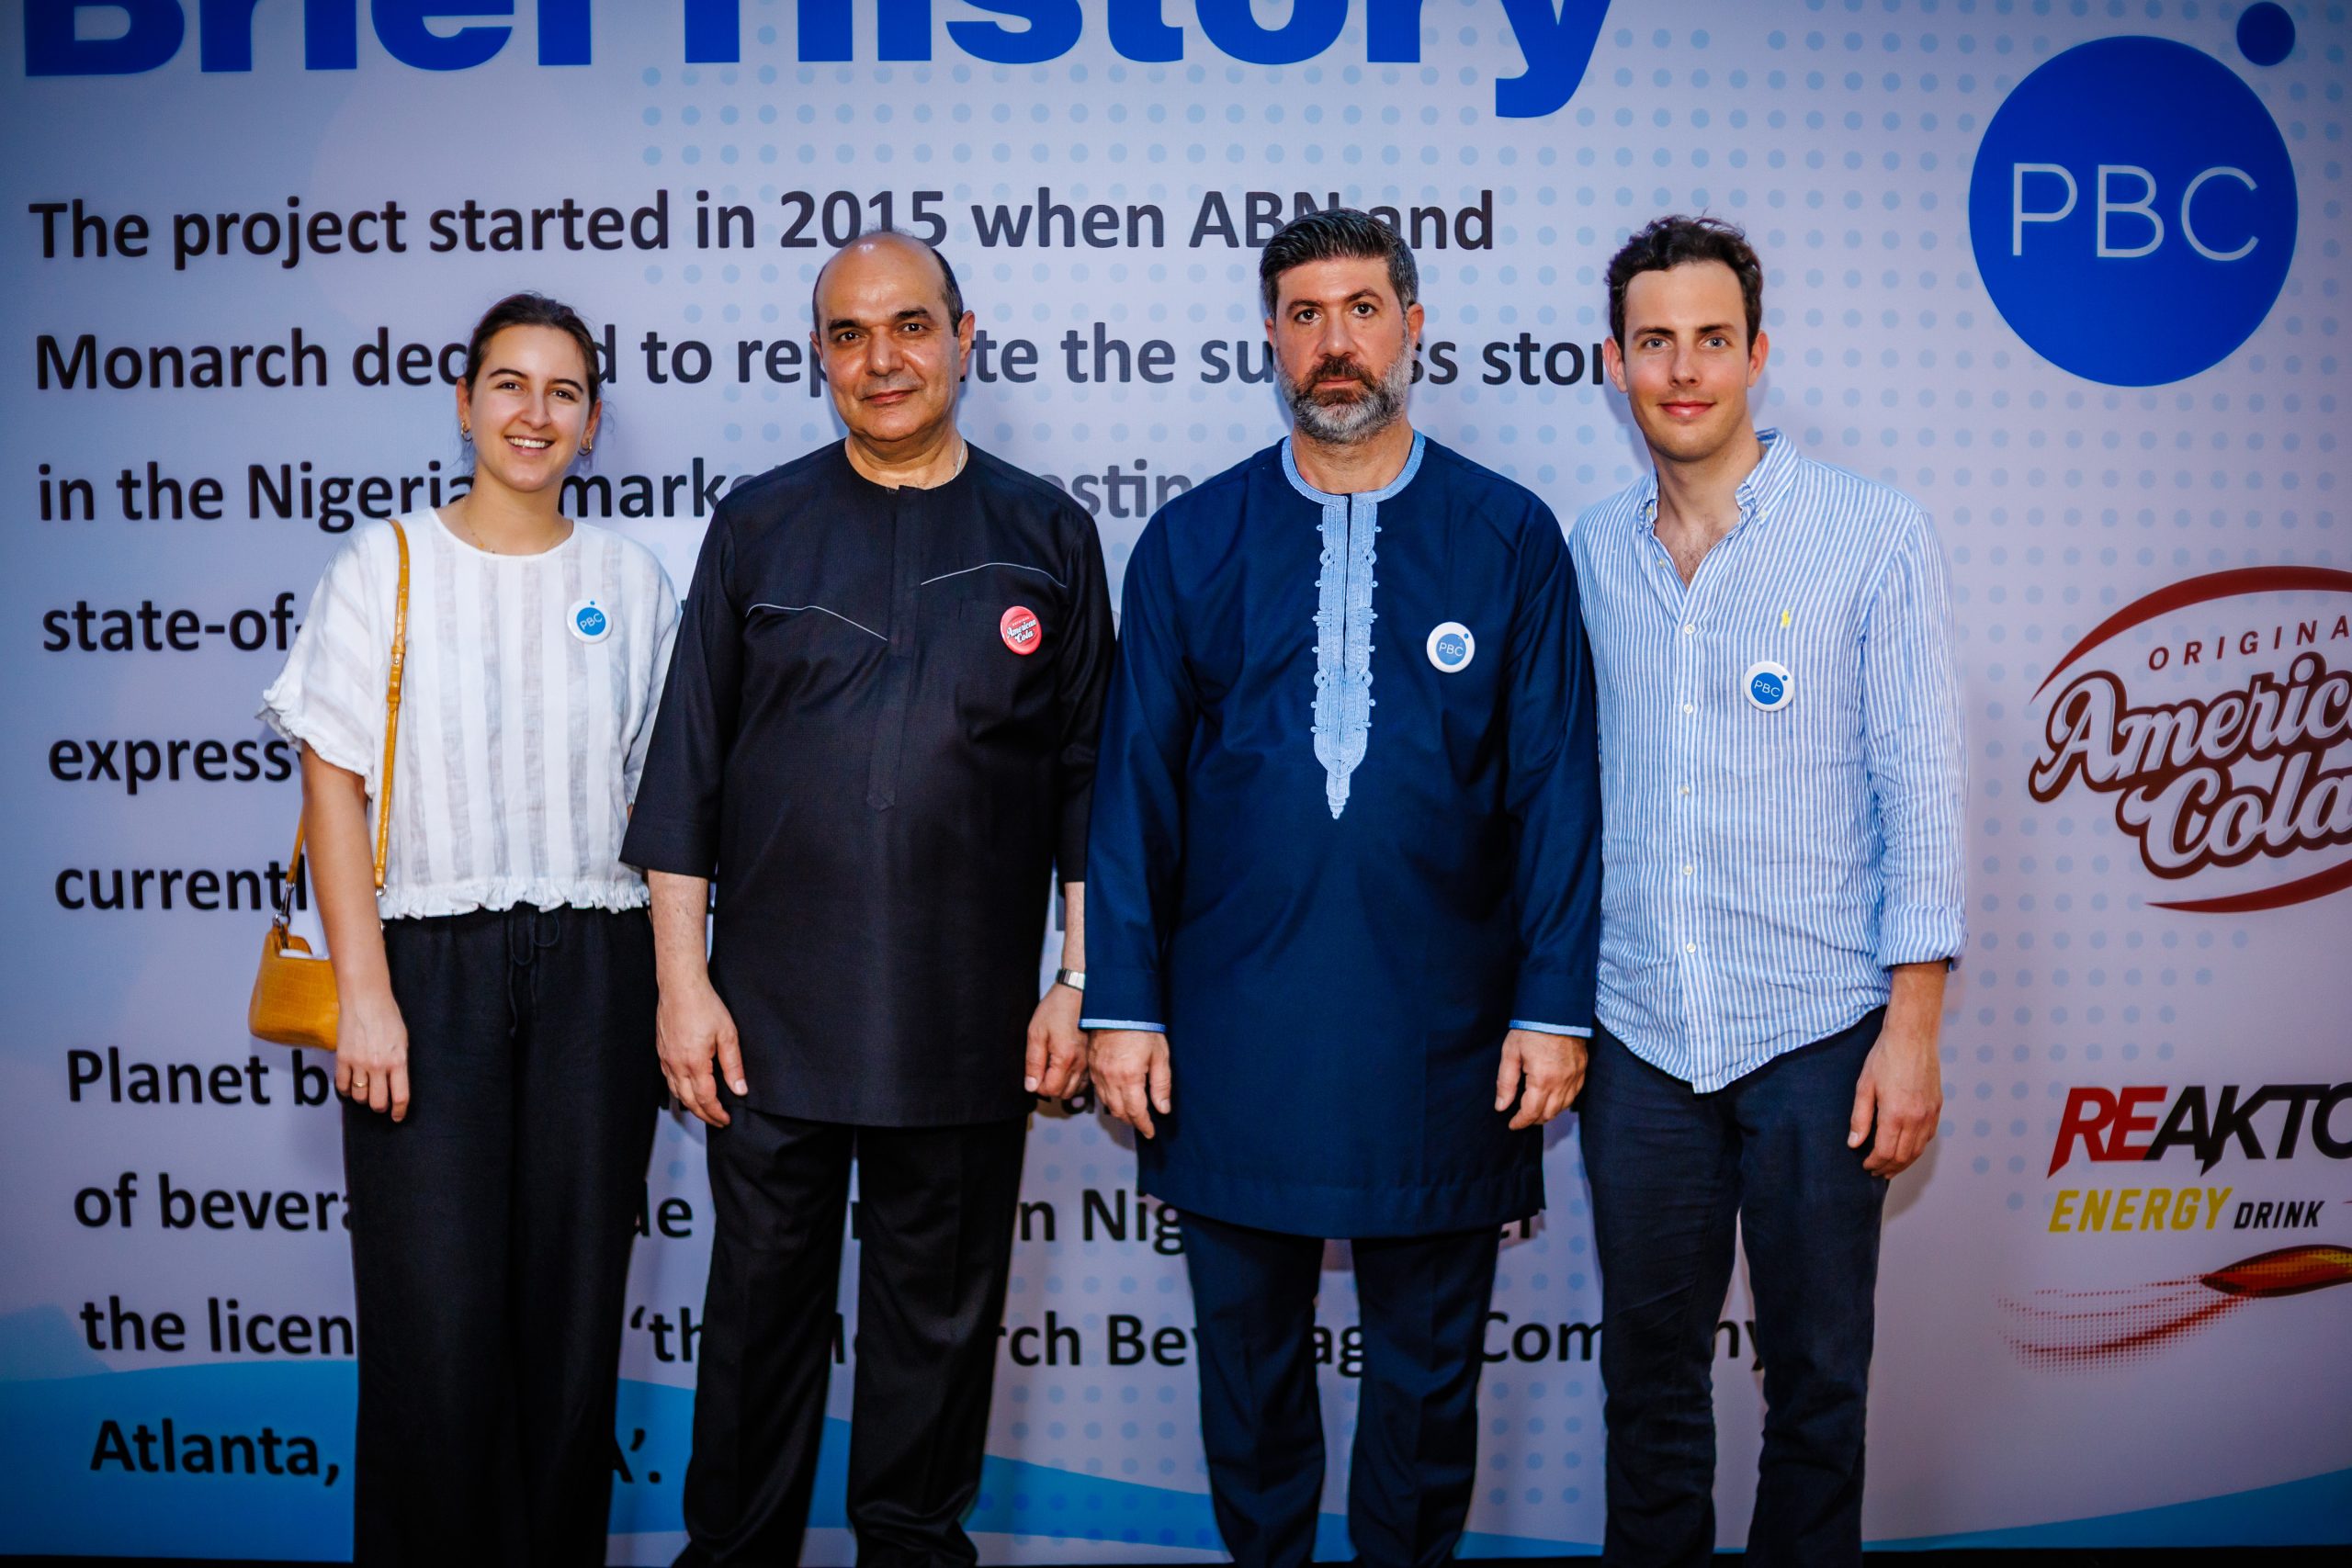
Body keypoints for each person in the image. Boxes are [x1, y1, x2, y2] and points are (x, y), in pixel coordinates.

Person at [1082, 209, 1603, 1568]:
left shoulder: (1507, 537)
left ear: (1412, 324)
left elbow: (1555, 788)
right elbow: (1132, 794)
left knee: (1428, 1392)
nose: (1334, 342)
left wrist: (1554, 1004)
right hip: (1231, 1036)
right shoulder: (1193, 542)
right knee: (1249, 1386)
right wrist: (1122, 1005)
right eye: (1305, 314)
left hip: (1445, 1038)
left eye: (1361, 308)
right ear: (1269, 335)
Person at [620, 230, 1113, 1566]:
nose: (880, 359)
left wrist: (1080, 982)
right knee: (756, 1332)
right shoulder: (761, 522)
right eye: (848, 335)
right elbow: (686, 777)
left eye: (908, 326)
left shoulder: (1047, 533)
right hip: (765, 1027)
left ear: (967, 334)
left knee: (936, 1350)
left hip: (964, 1030)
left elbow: (1090, 791)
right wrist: (681, 982)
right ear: (821, 359)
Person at [258, 292, 679, 1564]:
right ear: (464, 401)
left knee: (568, 1332)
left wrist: (674, 989)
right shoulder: (380, 564)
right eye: (509, 384)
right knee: (433, 1333)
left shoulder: (632, 579)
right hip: (424, 976)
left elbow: (664, 811)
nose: (533, 414)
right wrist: (368, 995)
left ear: (593, 421)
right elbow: (330, 784)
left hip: (597, 973)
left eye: (562, 392)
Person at [1570, 215, 1965, 1567]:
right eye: (1657, 342)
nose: (1686, 370)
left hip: (1821, 1038)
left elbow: (1922, 794)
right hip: (1638, 1038)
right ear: (1615, 362)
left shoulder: (1872, 536)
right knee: (1650, 1393)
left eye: (1713, 341)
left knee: (1816, 1391)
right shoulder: (1586, 555)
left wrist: (1910, 1032)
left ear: (1758, 354)